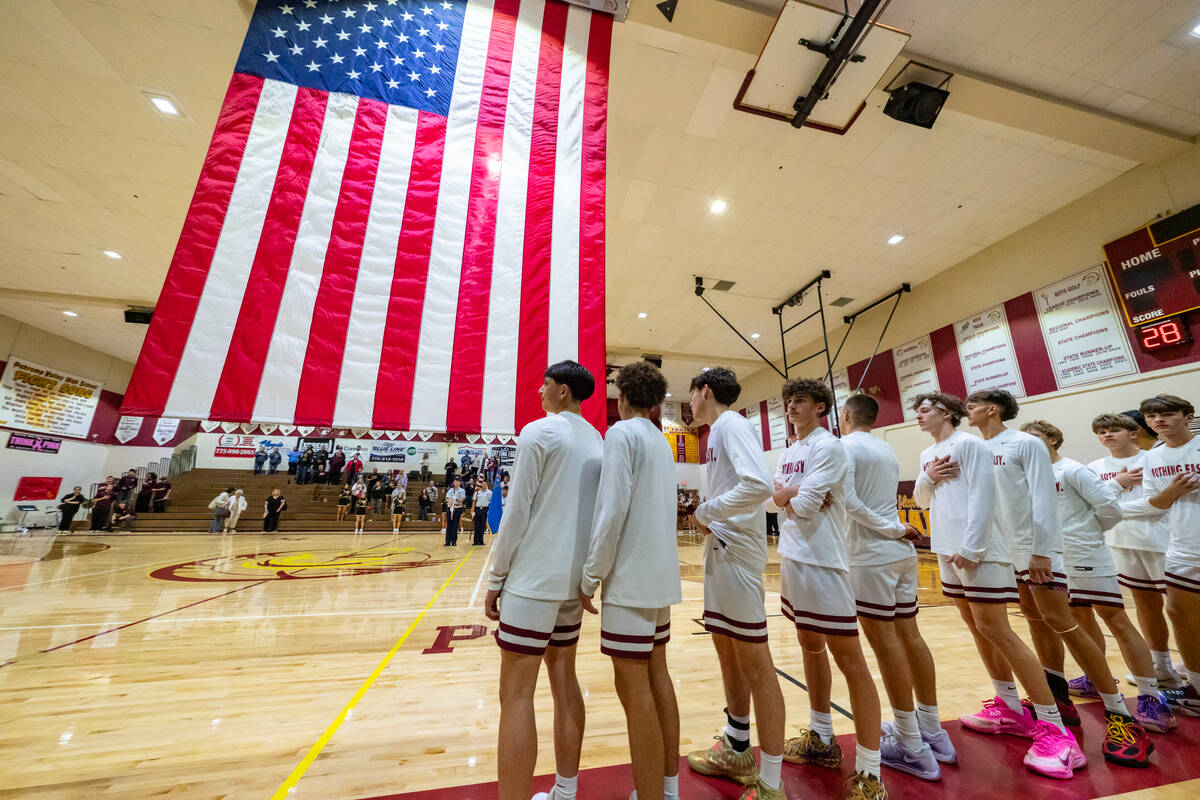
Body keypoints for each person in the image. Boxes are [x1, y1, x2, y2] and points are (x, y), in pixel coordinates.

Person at [966, 389, 1148, 765]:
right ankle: (1058, 699)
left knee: (1063, 623)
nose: (964, 412)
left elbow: (1045, 501)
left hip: (1039, 551)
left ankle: (1122, 716)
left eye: (970, 406)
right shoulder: (977, 448)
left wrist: (1041, 551)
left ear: (991, 408)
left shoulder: (1025, 445)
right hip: (1004, 553)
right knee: (1037, 624)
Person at [911, 392, 1084, 779]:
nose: (918, 416)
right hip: (946, 549)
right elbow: (921, 501)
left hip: (980, 549)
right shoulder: (928, 453)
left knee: (996, 629)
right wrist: (928, 476)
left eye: (924, 410)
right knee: (977, 628)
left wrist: (973, 546)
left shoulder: (970, 444)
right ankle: (1009, 708)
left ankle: (1054, 727)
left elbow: (985, 495)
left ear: (947, 413)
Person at [484, 360, 603, 800]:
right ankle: (565, 792)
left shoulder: (540, 431)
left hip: (532, 582)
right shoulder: (597, 440)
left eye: (546, 384)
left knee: (515, 696)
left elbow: (517, 513)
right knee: (564, 679)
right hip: (572, 584)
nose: (539, 390)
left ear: (564, 392)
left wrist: (496, 577)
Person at [1021, 420, 1175, 734]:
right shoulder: (1028, 476)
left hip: (1088, 555)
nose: (1029, 444)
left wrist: (1088, 536)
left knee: (1116, 619)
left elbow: (1111, 510)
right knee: (1077, 619)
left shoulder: (1073, 470)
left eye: (1035, 437)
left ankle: (1150, 696)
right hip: (1056, 558)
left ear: (1052, 438)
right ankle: (1094, 679)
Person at [769, 381, 885, 798]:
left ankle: (871, 774)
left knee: (850, 660)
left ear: (821, 407)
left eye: (800, 400)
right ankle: (821, 739)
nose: (791, 405)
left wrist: (791, 495)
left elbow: (800, 501)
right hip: (794, 559)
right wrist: (791, 495)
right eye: (788, 400)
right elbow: (773, 499)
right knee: (809, 647)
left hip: (824, 564)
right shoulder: (790, 449)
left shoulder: (828, 446)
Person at [579, 361, 682, 800]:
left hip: (631, 579)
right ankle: (668, 788)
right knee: (658, 678)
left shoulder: (620, 434)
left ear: (621, 399)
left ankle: (651, 795)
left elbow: (612, 510)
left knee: (634, 688)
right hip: (660, 577)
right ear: (657, 404)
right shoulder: (660, 440)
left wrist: (590, 575)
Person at [683, 367, 787, 800]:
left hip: (738, 555)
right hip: (723, 552)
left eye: (691, 394)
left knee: (757, 665)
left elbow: (759, 485)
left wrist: (708, 512)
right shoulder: (718, 432)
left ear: (705, 391)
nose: (689, 403)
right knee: (729, 653)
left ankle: (772, 782)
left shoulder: (731, 424)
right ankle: (737, 747)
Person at [839, 394, 953, 780]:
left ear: (847, 415)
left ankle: (910, 744)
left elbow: (849, 501)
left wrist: (892, 528)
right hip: (900, 554)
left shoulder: (844, 446)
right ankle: (933, 731)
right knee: (910, 637)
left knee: (885, 644)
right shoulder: (886, 448)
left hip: (872, 554)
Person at [1087, 412, 1184, 689]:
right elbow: (1093, 506)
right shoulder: (1094, 466)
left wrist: (1114, 507)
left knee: (1180, 609)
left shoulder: (1153, 458)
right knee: (1145, 607)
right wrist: (1117, 486)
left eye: (1114, 430)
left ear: (1132, 433)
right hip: (1121, 542)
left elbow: (1157, 504)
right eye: (1102, 431)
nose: (1107, 435)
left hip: (1162, 542)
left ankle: (1193, 666)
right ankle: (1162, 668)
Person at [1137, 394, 1200, 716]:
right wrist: (1175, 490)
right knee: (1178, 613)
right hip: (1181, 545)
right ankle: (1197, 689)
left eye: (1167, 414)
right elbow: (1157, 503)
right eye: (1151, 416)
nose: (1158, 420)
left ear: (1187, 415)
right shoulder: (1152, 457)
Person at [444, 478, 466, 546]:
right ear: (453, 483)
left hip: (457, 508)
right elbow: (447, 497)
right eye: (455, 482)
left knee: (455, 525)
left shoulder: (462, 490)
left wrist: (456, 499)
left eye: (457, 482)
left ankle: (453, 541)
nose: (456, 483)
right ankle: (447, 541)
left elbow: (462, 499)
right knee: (449, 525)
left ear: (460, 483)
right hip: (450, 508)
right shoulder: (450, 490)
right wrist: (449, 500)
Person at [472, 479, 491, 545]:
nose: (484, 485)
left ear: (487, 485)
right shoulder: (477, 492)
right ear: (481, 484)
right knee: (477, 526)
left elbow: (491, 502)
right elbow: (474, 501)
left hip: (485, 509)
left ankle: (481, 541)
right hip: (477, 509)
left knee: (482, 526)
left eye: (485, 484)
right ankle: (475, 541)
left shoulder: (489, 492)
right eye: (483, 484)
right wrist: (472, 509)